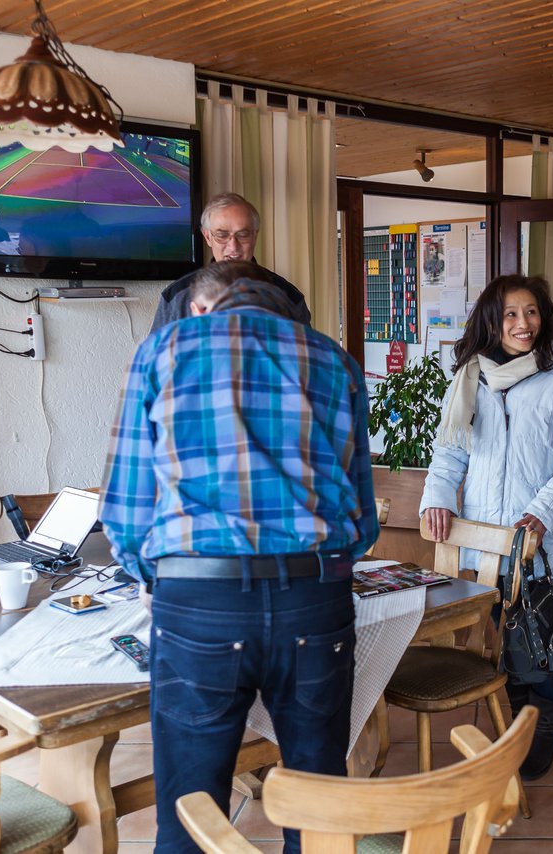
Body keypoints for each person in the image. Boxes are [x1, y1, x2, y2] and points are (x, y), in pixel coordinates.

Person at [100, 260, 378, 854]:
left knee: (191, 812)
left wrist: (168, 575)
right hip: (314, 598)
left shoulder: (164, 349)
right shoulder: (333, 358)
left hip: (199, 599)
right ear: (278, 303)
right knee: (319, 802)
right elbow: (360, 517)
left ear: (208, 303)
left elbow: (125, 511)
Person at [419, 273, 553, 780]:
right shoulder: (469, 378)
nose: (523, 324)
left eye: (531, 312)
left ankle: (543, 723)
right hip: (482, 538)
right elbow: (450, 451)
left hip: (534, 540)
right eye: (510, 314)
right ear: (491, 321)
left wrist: (542, 513)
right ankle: (517, 721)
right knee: (503, 636)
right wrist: (436, 500)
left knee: (536, 638)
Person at [149, 193, 310, 332]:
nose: (233, 246)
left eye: (243, 234)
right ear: (207, 237)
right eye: (222, 235)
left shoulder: (289, 297)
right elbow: (156, 361)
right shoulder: (177, 296)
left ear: (255, 235)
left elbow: (308, 360)